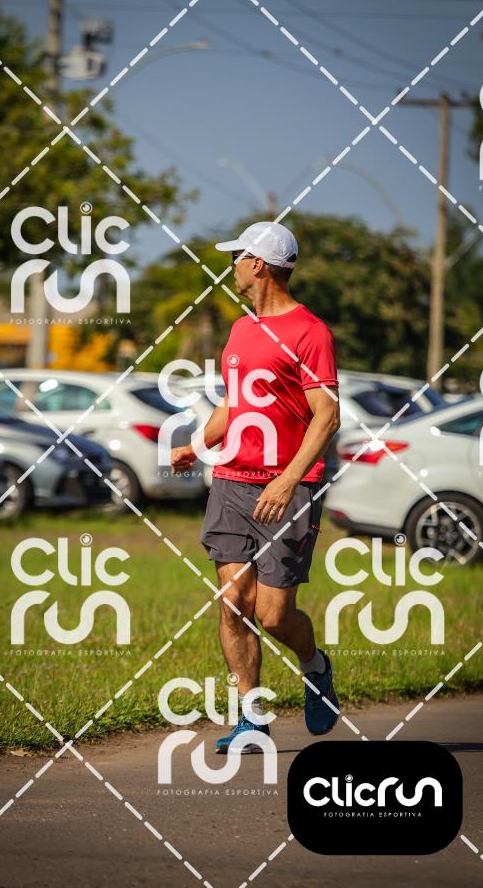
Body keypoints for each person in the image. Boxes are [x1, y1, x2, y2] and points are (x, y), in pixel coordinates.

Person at [171, 221, 341, 753]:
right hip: (232, 482)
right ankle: (252, 718)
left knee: (273, 615)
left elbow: (327, 415)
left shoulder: (310, 332)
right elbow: (235, 402)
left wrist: (287, 481)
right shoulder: (242, 330)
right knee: (232, 603)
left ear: (259, 264)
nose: (232, 267)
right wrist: (197, 445)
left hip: (288, 488)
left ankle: (315, 665)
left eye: (237, 257)